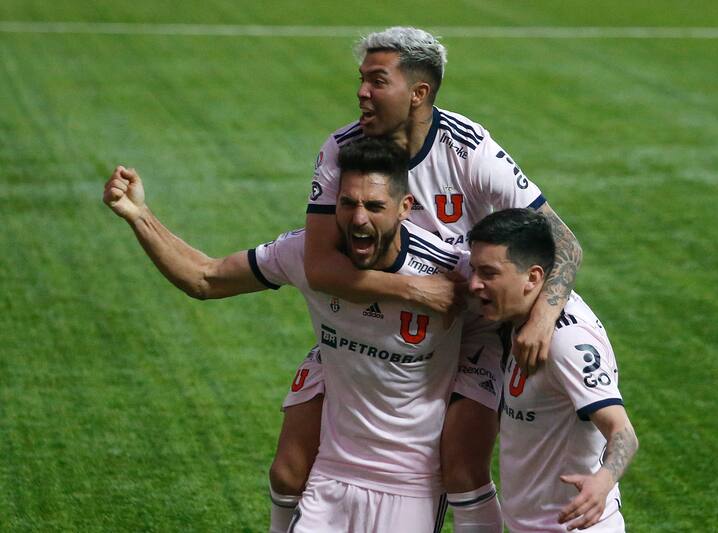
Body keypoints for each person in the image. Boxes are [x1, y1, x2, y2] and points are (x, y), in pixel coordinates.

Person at [272, 26, 583, 533]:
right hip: (371, 325)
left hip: (470, 330)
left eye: (377, 80)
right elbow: (321, 266)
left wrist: (542, 318)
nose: (361, 93)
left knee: (460, 469)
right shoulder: (341, 149)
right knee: (290, 466)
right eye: (362, 79)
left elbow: (564, 243)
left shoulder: (469, 148)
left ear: (418, 93)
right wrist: (415, 289)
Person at [103, 137, 472, 532]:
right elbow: (205, 278)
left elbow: (523, 300)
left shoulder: (451, 271)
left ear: (405, 208)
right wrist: (138, 214)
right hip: (331, 475)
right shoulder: (305, 255)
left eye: (374, 206)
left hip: (410, 485)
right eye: (348, 204)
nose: (359, 219)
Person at [467, 209, 639, 532]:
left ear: (533, 278)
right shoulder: (517, 320)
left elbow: (624, 434)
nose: (474, 284)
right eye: (473, 270)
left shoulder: (567, 341)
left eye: (488, 273)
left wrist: (602, 482)